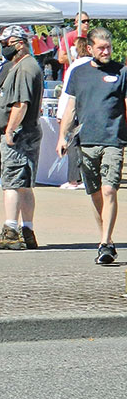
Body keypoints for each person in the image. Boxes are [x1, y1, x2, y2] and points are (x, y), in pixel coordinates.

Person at [57, 27, 127, 265]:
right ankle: (105, 239)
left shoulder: (122, 72)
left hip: (113, 140)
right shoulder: (79, 74)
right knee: (95, 192)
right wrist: (62, 137)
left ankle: (105, 243)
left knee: (109, 190)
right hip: (86, 141)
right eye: (101, 48)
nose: (106, 51)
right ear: (90, 48)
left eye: (109, 47)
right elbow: (71, 108)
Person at [0, 26, 44, 251]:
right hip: (27, 131)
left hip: (20, 134)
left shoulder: (25, 68)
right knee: (24, 184)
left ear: (18, 43)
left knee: (12, 183)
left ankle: (10, 231)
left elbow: (21, 103)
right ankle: (27, 231)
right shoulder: (25, 66)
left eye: (5, 43)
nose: (3, 47)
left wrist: (9, 130)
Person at [56, 36, 92, 190]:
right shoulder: (93, 65)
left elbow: (68, 93)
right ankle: (85, 178)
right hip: (90, 112)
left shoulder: (76, 66)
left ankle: (73, 179)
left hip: (75, 111)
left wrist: (61, 113)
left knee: (73, 145)